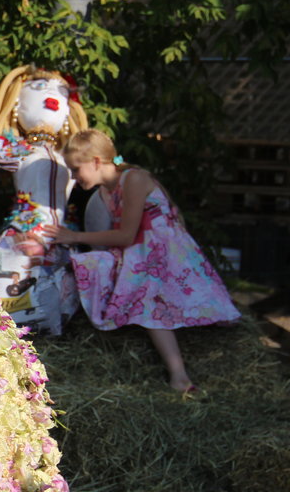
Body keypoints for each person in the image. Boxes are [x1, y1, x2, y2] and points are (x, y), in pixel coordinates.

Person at [51, 129, 240, 392]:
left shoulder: (134, 179)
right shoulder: (106, 190)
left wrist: (75, 236)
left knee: (149, 302)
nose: (73, 176)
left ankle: (180, 377)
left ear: (95, 161)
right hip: (141, 252)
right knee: (94, 268)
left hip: (161, 251)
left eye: (76, 169)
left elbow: (126, 234)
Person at [0, 65, 90, 335]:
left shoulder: (70, 154)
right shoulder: (18, 149)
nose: (50, 95)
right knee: (9, 282)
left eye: (59, 91)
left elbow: (106, 163)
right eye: (37, 88)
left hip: (62, 235)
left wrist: (121, 168)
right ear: (17, 102)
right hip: (25, 232)